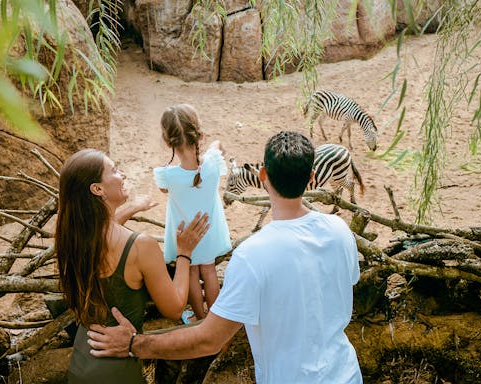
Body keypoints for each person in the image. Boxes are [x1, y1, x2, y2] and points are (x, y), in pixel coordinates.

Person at [86, 131, 363, 383]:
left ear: (263, 175)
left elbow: (209, 339)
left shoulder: (253, 254)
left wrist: (135, 344)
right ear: (312, 177)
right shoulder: (340, 231)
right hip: (347, 374)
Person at [55, 148, 210, 383]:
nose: (123, 174)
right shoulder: (141, 247)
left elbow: (106, 226)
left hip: (82, 362)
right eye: (115, 170)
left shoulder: (71, 239)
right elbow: (176, 307)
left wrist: (134, 207)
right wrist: (184, 253)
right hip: (117, 369)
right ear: (97, 189)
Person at [153, 103, 232, 322]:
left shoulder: (166, 175)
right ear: (199, 135)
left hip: (185, 236)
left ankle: (200, 317)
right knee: (209, 271)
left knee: (191, 272)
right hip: (209, 231)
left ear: (168, 141)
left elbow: (163, 189)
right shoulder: (213, 163)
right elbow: (218, 147)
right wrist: (213, 145)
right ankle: (215, 319)